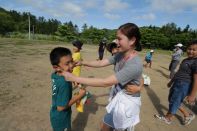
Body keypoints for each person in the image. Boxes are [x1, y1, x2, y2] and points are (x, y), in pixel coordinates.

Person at [61, 23, 143, 131]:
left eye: (119, 39)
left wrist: (74, 78)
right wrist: (82, 62)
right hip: (118, 97)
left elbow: (105, 82)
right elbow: (101, 63)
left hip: (126, 104)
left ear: (132, 40)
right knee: (105, 126)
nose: (117, 43)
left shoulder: (134, 64)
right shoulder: (120, 55)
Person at [155, 40, 197, 125]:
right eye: (189, 49)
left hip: (184, 85)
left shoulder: (195, 62)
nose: (190, 51)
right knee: (172, 99)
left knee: (174, 100)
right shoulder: (185, 60)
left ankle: (168, 118)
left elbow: (196, 79)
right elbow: (178, 72)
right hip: (177, 82)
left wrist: (192, 94)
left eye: (194, 50)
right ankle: (187, 115)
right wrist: (171, 81)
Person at [49, 47, 86, 131]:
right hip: (62, 118)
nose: (71, 65)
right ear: (56, 67)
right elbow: (61, 107)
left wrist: (73, 80)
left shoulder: (55, 75)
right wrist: (79, 96)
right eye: (67, 63)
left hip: (54, 114)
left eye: (71, 61)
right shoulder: (64, 83)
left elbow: (66, 75)